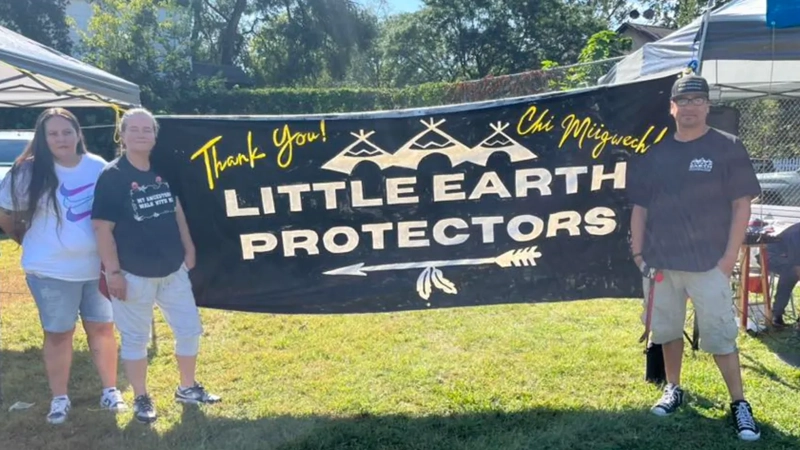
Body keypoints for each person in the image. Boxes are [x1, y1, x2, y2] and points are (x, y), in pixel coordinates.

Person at [627, 74, 762, 441]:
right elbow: (639, 208)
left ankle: (739, 404)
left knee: (720, 336)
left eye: (696, 100)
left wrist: (728, 258)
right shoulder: (656, 153)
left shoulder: (728, 147)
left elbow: (741, 206)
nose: (689, 107)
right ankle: (673, 387)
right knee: (667, 331)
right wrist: (639, 254)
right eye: (682, 101)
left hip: (708, 263)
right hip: (660, 263)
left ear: (706, 106)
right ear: (672, 108)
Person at [91, 107, 220, 424]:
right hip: (133, 272)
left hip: (173, 269)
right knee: (135, 339)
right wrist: (113, 272)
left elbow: (176, 211)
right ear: (122, 134)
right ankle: (141, 397)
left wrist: (188, 247)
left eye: (147, 129)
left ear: (155, 135)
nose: (141, 134)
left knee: (189, 329)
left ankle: (187, 387)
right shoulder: (113, 176)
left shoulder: (161, 169)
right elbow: (101, 228)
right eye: (133, 129)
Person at [0, 108, 126, 424]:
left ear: (78, 134)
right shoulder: (26, 172)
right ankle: (60, 398)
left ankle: (110, 390)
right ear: (42, 138)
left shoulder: (97, 166)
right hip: (50, 272)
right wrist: (25, 239)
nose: (61, 139)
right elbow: (5, 213)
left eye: (67, 132)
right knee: (58, 334)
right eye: (53, 133)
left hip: (96, 268)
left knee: (103, 329)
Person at [764, 222, 800, 327]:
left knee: (792, 270)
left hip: (789, 259)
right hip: (771, 256)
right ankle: (777, 314)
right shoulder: (796, 233)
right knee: (791, 273)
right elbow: (796, 262)